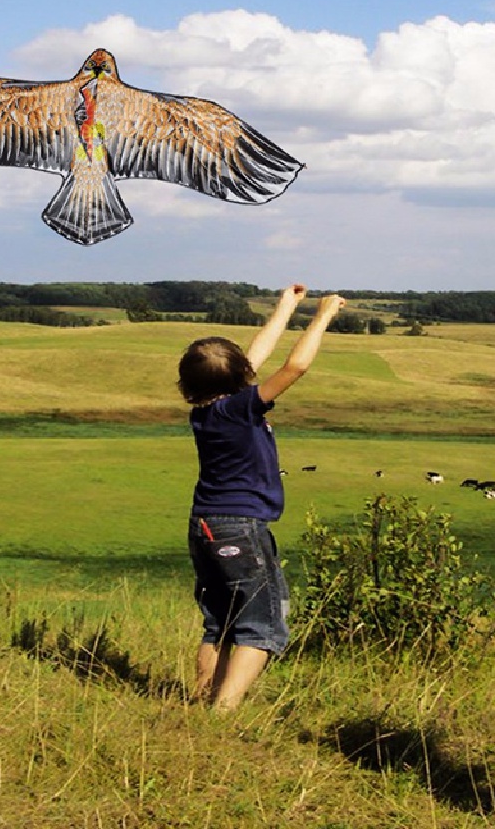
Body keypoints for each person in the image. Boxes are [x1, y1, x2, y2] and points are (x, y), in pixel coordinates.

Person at [178, 284, 345, 709]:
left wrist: (286, 306)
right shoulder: (238, 409)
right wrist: (323, 315)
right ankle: (221, 713)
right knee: (261, 625)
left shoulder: (207, 410)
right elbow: (295, 367)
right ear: (239, 379)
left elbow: (253, 357)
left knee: (220, 623)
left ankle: (200, 702)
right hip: (240, 526)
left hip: (205, 525)